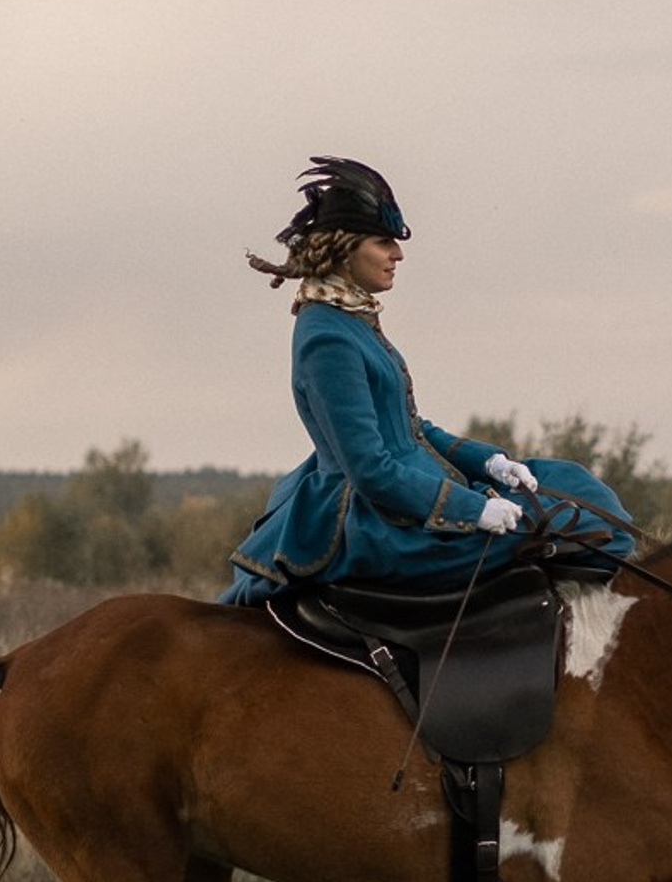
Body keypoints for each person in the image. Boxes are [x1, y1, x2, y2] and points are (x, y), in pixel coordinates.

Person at [221, 156, 636, 605]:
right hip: (377, 516)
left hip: (416, 479)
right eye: (383, 242)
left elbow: (413, 430)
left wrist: (490, 462)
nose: (397, 255)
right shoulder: (327, 338)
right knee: (574, 534)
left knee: (572, 484)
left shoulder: (354, 318)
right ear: (345, 249)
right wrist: (473, 509)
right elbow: (371, 471)